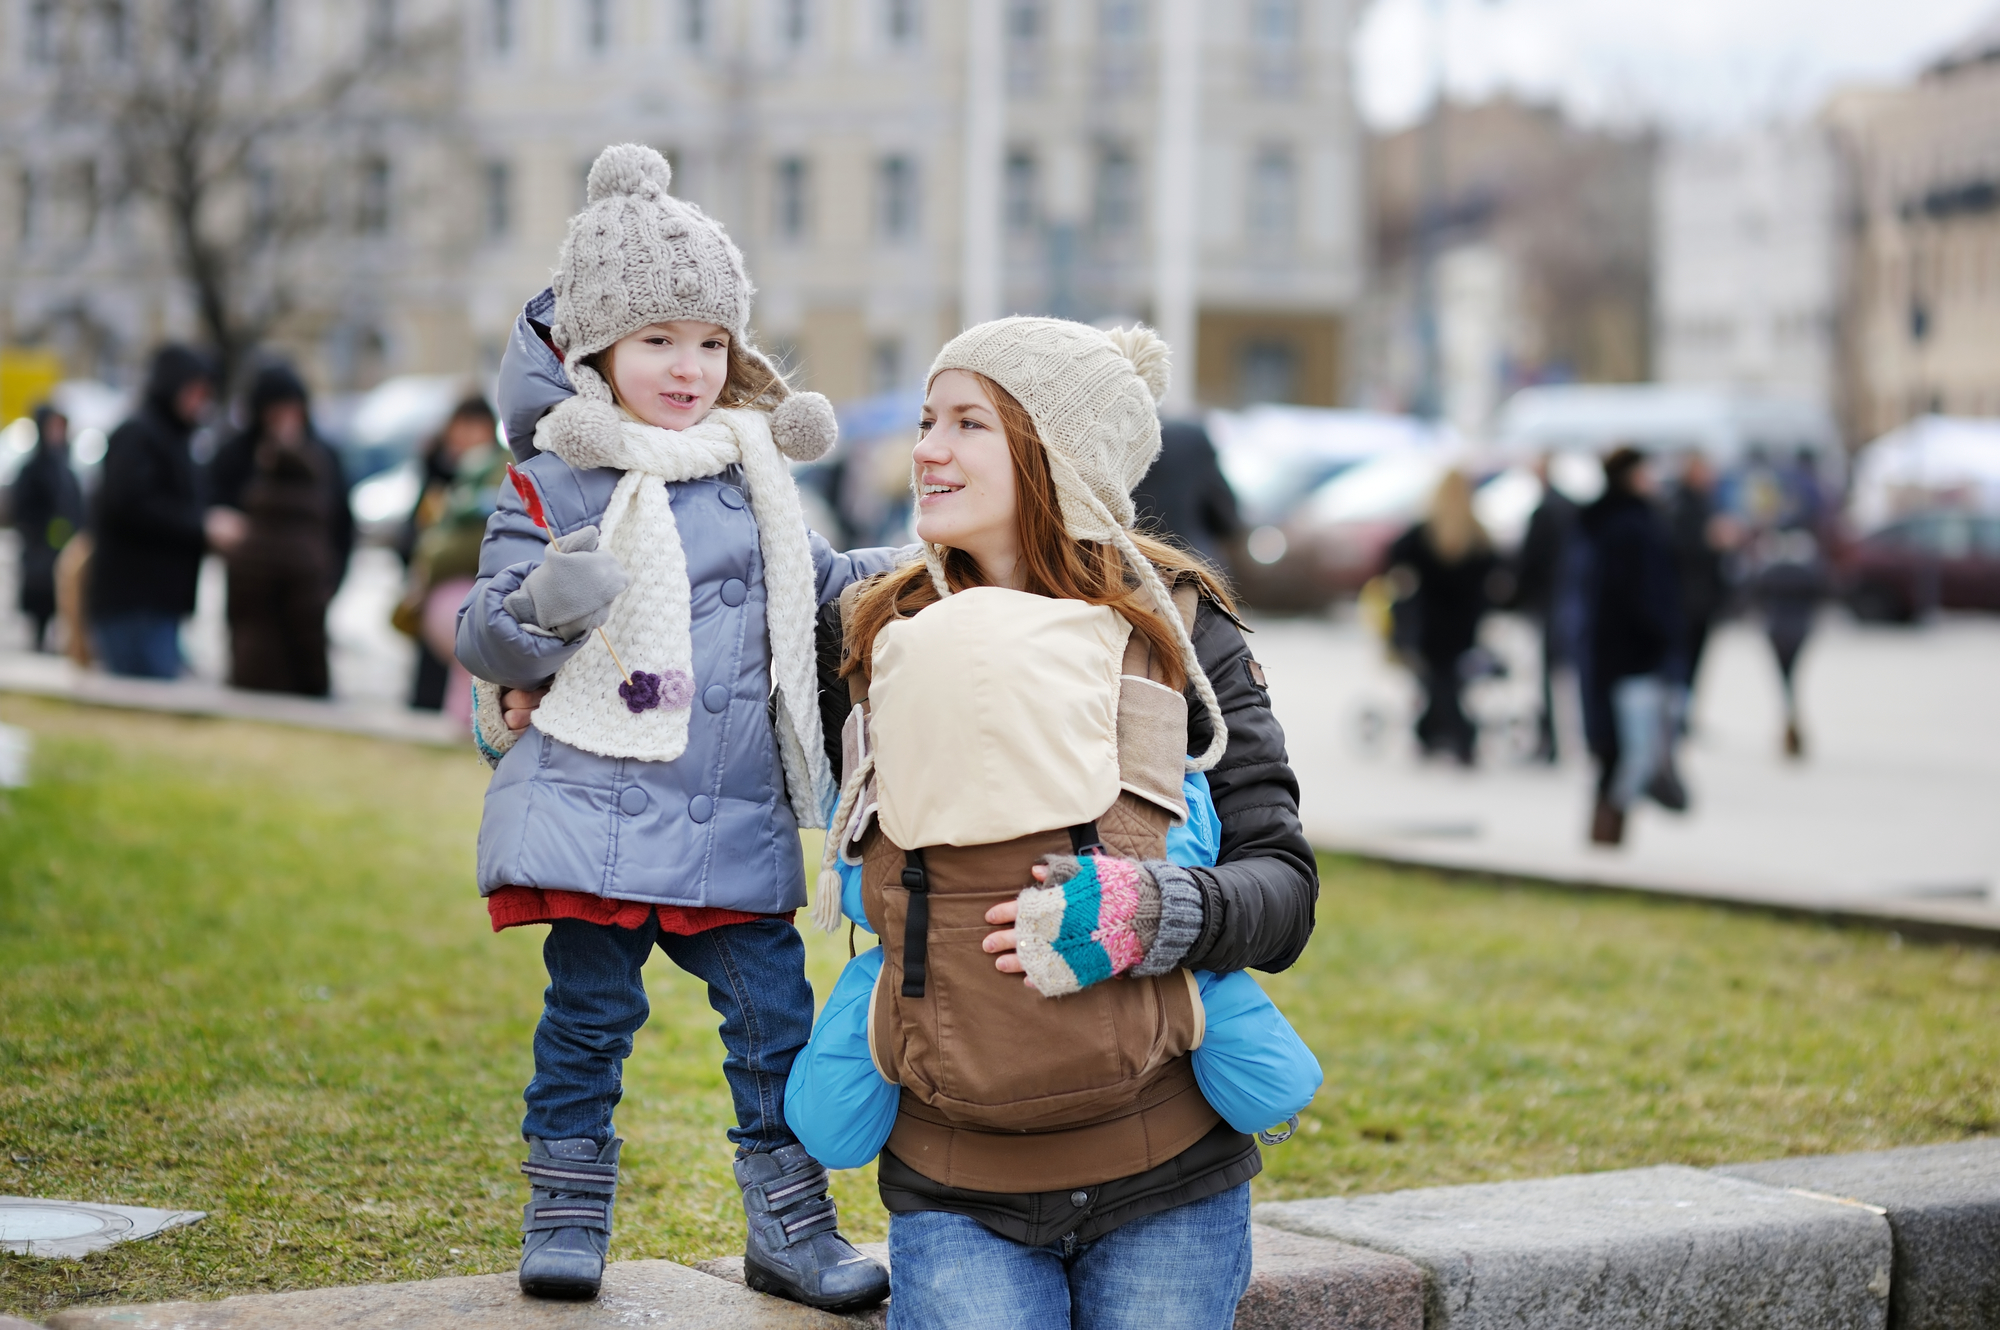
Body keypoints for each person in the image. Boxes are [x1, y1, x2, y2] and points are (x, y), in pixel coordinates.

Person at [795, 318, 1319, 1329]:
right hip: (956, 1187)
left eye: (968, 423)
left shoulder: (1178, 628)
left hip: (1167, 1178)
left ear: (1054, 454)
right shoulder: (871, 626)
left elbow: (1282, 890)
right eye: (924, 420)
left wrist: (1150, 909)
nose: (925, 450)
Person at [452, 144, 894, 1311]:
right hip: (601, 799)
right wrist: (551, 600)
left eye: (711, 343)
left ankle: (791, 1226)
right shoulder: (558, 477)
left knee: (772, 1029)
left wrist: (911, 574)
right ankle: (565, 1209)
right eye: (657, 342)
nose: (689, 369)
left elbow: (815, 588)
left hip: (730, 810)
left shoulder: (753, 468)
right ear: (596, 351)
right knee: (587, 1021)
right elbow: (484, 634)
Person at [205, 363, 353, 696]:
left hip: (310, 581)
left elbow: (343, 526)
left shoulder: (324, 456)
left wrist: (331, 581)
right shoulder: (237, 455)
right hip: (253, 590)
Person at [88, 344, 217, 679]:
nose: (200, 403)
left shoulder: (173, 438)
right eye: (195, 392)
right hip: (134, 603)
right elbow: (132, 505)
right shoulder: (139, 435)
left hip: (157, 601)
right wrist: (202, 527)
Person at [1577, 447, 1681, 846]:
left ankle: (1607, 832)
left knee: (1616, 750)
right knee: (1632, 751)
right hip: (1633, 656)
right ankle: (1608, 832)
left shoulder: (1599, 524)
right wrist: (1662, 638)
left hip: (1606, 654)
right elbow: (1646, 596)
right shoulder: (1633, 528)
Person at [1384, 470, 1498, 766]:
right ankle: (1431, 734)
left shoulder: (1424, 533)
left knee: (1439, 680)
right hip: (1464, 622)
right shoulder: (1478, 535)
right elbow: (1497, 575)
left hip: (1431, 621)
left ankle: (1457, 737)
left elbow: (1392, 559)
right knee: (1444, 681)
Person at [396, 396, 501, 711]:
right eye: (460, 428)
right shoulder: (436, 470)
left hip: (468, 589)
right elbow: (412, 533)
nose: (465, 438)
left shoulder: (494, 476)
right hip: (439, 592)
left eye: (474, 428)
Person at [1511, 453, 1579, 763]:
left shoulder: (1546, 511)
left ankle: (1549, 740)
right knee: (1563, 675)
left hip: (1548, 600)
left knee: (1548, 678)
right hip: (1567, 598)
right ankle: (1559, 738)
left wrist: (1514, 594)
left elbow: (1530, 562)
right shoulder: (1569, 507)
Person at [9, 404, 85, 652]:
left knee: (60, 591)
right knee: (39, 592)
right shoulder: (32, 467)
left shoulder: (66, 465)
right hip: (40, 544)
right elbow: (22, 505)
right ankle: (38, 636)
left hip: (62, 543)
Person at [1751, 528, 1827, 759]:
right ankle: (1791, 719)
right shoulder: (1808, 569)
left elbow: (1753, 591)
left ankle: (1789, 718)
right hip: (1799, 629)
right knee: (1792, 676)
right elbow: (1824, 592)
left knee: (1784, 677)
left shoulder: (1770, 567)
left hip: (1775, 629)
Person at [1130, 418, 1241, 569]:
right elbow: (1227, 517)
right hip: (1192, 565)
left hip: (1132, 566)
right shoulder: (1191, 438)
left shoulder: (1125, 439)